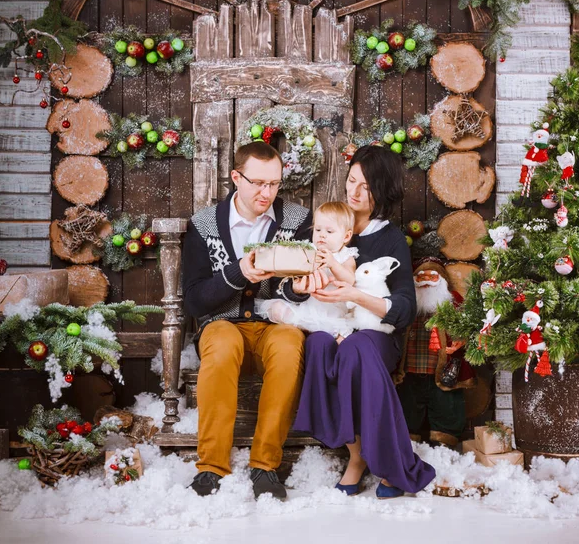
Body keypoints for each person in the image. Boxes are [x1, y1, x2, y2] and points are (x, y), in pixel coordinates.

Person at [293, 145, 436, 498]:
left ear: (382, 192)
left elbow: (404, 308)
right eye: (352, 182)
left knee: (356, 348)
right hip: (330, 326)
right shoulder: (325, 227)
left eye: (366, 188)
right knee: (319, 344)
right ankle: (356, 456)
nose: (354, 193)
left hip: (376, 335)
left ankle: (392, 462)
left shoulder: (389, 237)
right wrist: (299, 287)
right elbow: (292, 282)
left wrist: (353, 294)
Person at [182, 142, 312, 500]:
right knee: (222, 343)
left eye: (274, 184)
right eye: (257, 183)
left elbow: (299, 287)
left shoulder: (297, 221)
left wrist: (298, 290)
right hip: (222, 325)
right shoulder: (204, 224)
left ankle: (265, 465)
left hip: (275, 325)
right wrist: (238, 273)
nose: (266, 193)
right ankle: (211, 467)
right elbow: (194, 300)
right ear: (236, 178)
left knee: (289, 345)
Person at [394, 258, 476, 448]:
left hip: (442, 371)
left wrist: (459, 339)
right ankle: (408, 445)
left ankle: (445, 443)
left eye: (432, 276)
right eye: (421, 277)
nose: (426, 281)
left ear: (442, 280)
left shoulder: (453, 303)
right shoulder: (408, 305)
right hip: (410, 370)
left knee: (447, 408)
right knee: (408, 408)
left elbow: (467, 329)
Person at [255, 201, 358, 340]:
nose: (322, 235)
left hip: (331, 309)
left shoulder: (345, 256)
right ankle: (313, 327)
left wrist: (333, 264)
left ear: (346, 236)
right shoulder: (309, 250)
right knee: (277, 308)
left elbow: (350, 280)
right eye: (318, 229)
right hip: (308, 305)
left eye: (329, 231)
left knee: (336, 328)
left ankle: (327, 329)